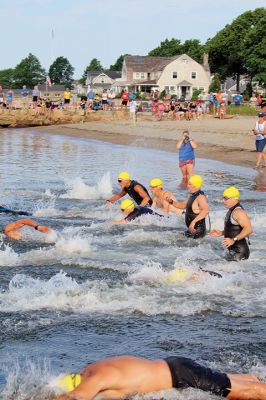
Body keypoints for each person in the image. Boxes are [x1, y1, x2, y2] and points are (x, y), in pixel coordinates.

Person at [55, 354, 266, 400]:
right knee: (243, 382)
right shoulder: (93, 368)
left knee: (251, 393)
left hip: (182, 375)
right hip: (174, 365)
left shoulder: (98, 378)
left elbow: (75, 398)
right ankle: (252, 377)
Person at [209, 186, 252, 261]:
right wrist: (221, 233)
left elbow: (249, 229)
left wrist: (233, 239)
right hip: (233, 251)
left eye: (225, 198)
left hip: (240, 253)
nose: (223, 201)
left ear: (234, 198)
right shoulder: (231, 210)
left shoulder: (238, 212)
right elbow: (235, 228)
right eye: (223, 198)